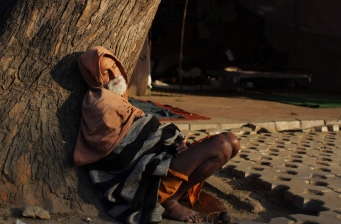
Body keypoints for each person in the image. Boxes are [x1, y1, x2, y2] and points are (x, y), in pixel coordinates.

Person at [74, 46, 240, 223]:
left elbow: (145, 133)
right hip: (149, 175)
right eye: (106, 72)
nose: (115, 74)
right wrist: (163, 152)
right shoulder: (100, 106)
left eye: (114, 66)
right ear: (93, 76)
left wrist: (176, 142)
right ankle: (170, 202)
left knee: (233, 142)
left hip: (163, 157)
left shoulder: (117, 97)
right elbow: (122, 156)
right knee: (222, 144)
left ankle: (178, 192)